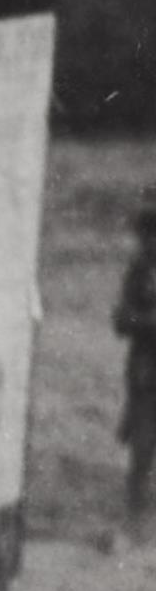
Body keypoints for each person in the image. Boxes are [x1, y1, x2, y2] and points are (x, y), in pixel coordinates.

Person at [120, 200, 156, 529]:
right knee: (142, 448)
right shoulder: (139, 271)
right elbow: (120, 320)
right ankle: (136, 520)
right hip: (146, 370)